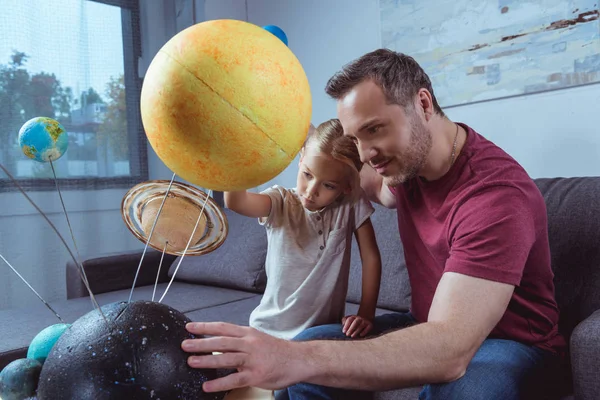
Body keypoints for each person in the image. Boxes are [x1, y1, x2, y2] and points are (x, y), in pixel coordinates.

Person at [181, 49, 568, 400]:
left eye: (374, 129)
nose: (367, 154)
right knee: (312, 345)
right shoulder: (405, 167)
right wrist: (242, 128)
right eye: (355, 139)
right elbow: (336, 162)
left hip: (510, 342)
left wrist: (295, 357)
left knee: (465, 392)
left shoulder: (494, 196)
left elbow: (449, 349)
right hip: (424, 322)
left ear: (423, 103)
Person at [221, 118, 382, 342]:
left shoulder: (351, 205)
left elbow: (371, 257)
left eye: (328, 185)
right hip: (267, 332)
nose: (311, 191)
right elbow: (236, 203)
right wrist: (236, 154)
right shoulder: (280, 201)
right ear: (301, 158)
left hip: (321, 335)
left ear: (347, 186)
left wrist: (366, 314)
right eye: (307, 175)